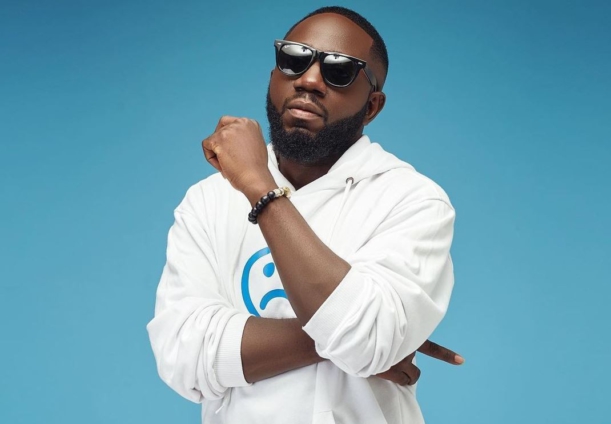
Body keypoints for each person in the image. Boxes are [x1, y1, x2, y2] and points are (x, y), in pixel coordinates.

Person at [147, 6, 462, 424]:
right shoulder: (209, 198)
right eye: (293, 59)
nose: (309, 80)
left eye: (339, 71)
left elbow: (364, 340)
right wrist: (349, 344)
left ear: (372, 106)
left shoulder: (412, 200)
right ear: (273, 76)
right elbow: (182, 356)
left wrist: (259, 187)